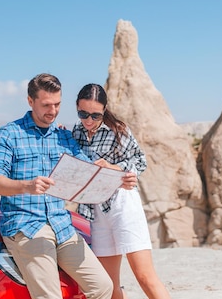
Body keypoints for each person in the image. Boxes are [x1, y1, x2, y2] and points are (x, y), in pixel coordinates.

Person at [0, 73, 137, 299]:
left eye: (57, 104)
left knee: (104, 287)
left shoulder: (64, 136)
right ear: (30, 101)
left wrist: (120, 178)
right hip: (27, 226)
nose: (53, 111)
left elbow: (89, 172)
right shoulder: (10, 134)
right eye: (46, 105)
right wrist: (26, 186)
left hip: (62, 225)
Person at [73, 83, 171, 299]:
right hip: (96, 211)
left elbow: (140, 161)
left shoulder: (118, 130)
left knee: (144, 276)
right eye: (83, 113)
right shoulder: (76, 131)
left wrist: (114, 169)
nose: (88, 120)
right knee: (109, 285)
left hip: (122, 205)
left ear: (104, 110)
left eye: (95, 115)